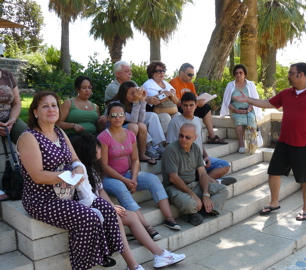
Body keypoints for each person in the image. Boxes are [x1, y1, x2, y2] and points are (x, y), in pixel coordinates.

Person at [17, 91, 123, 269]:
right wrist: (69, 178)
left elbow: (75, 160)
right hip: (42, 200)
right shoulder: (29, 137)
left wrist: (80, 169)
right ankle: (82, 265)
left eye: (54, 105)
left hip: (67, 192)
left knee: (105, 207)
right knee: (87, 217)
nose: (51, 109)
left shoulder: (59, 132)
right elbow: (37, 175)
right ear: (35, 112)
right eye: (45, 106)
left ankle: (101, 253)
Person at [235, 62, 306, 221]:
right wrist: (248, 99)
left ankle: (305, 209)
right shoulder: (286, 93)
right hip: (284, 143)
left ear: (301, 75)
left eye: (291, 73)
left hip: (305, 145)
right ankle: (274, 203)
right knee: (273, 172)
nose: (288, 76)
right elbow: (268, 103)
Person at [73, 134, 186, 269]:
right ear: (88, 151)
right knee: (117, 219)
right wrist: (110, 209)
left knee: (130, 216)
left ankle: (160, 255)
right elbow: (86, 198)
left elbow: (101, 191)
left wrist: (111, 206)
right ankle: (134, 266)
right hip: (88, 211)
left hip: (100, 207)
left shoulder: (93, 167)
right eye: (97, 148)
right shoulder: (78, 171)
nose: (100, 150)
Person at [98, 102, 181, 241]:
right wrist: (126, 181)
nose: (117, 118)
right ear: (108, 117)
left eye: (120, 115)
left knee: (153, 179)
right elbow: (104, 166)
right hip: (109, 178)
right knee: (120, 187)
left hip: (127, 174)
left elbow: (135, 160)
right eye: (113, 115)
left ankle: (169, 218)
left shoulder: (130, 134)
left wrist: (134, 179)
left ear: (125, 116)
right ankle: (146, 226)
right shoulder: (103, 137)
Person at [162, 122, 229, 226]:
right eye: (181, 135)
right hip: (175, 188)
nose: (183, 139)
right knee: (189, 204)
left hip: (194, 184)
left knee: (223, 189)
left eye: (187, 137)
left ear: (195, 137)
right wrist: (193, 195)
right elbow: (173, 178)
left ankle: (197, 214)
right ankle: (199, 211)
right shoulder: (171, 150)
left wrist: (205, 195)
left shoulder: (196, 148)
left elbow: (202, 173)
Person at [167, 92, 237, 186]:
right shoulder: (175, 122)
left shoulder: (197, 120)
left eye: (191, 105)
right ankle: (215, 183)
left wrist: (206, 156)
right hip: (185, 161)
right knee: (199, 168)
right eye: (185, 105)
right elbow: (170, 147)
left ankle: (202, 181)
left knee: (224, 165)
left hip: (199, 158)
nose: (188, 108)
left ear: (196, 105)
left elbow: (199, 141)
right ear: (181, 106)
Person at [106, 81, 166, 163]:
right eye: (132, 93)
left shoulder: (132, 103)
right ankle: (130, 155)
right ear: (124, 94)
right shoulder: (116, 105)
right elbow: (133, 120)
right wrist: (136, 101)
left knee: (141, 125)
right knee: (134, 126)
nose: (135, 95)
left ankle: (143, 154)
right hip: (114, 130)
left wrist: (143, 100)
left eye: (136, 93)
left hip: (127, 127)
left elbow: (140, 120)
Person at [169, 63, 227, 144]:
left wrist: (200, 102)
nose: (192, 77)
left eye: (193, 75)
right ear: (181, 73)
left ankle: (212, 136)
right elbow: (178, 102)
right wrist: (196, 104)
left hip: (190, 107)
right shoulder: (174, 83)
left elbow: (194, 98)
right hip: (181, 108)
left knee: (206, 107)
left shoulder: (190, 84)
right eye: (189, 74)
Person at [220, 64, 262, 154]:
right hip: (235, 109)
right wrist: (235, 110)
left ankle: (252, 145)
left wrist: (248, 110)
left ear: (245, 74)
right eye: (236, 73)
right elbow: (227, 101)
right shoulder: (230, 85)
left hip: (249, 108)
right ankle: (242, 144)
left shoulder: (250, 85)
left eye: (240, 73)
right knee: (239, 122)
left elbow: (254, 100)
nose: (238, 75)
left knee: (250, 118)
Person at [0, 68, 27, 201]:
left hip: (9, 118)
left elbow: (16, 103)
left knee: (30, 138)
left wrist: (11, 120)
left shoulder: (7, 75)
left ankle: (30, 180)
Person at [56, 75, 106, 143]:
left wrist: (102, 123)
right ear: (77, 89)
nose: (87, 90)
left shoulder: (95, 106)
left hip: (92, 136)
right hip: (74, 137)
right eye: (84, 87)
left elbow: (98, 129)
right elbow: (57, 123)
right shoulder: (69, 103)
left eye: (89, 87)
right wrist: (73, 126)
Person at [142, 61, 180, 135]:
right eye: (159, 71)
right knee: (165, 117)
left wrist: (168, 95)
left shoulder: (166, 83)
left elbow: (176, 101)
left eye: (163, 71)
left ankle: (177, 140)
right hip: (154, 111)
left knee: (178, 116)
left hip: (170, 109)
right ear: (152, 73)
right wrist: (168, 94)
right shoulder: (149, 84)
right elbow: (157, 100)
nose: (162, 73)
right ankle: (165, 142)